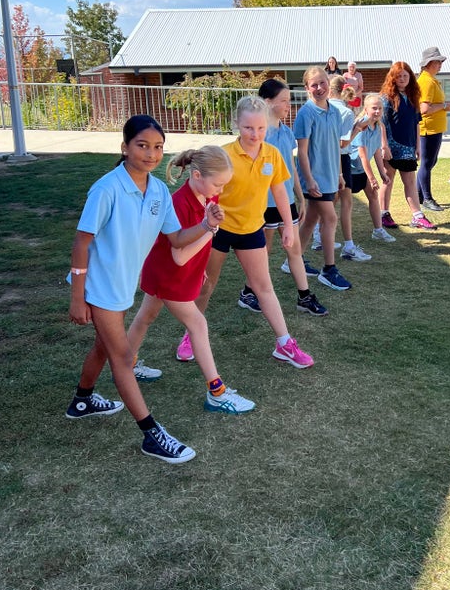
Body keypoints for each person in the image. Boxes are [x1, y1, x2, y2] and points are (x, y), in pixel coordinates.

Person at [65, 114, 224, 465]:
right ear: (125, 148)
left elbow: (176, 239)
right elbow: (81, 241)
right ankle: (151, 433)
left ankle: (82, 400)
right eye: (142, 145)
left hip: (122, 286)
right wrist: (78, 296)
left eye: (158, 147)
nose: (151, 154)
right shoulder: (106, 188)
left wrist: (205, 225)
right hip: (98, 286)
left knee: (104, 348)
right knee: (122, 357)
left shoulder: (157, 192)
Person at [186, 95, 314, 369]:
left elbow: (280, 190)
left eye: (260, 128)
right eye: (248, 128)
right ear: (236, 124)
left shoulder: (272, 154)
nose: (254, 134)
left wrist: (289, 226)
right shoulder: (224, 155)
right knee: (206, 284)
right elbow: (203, 189)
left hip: (252, 230)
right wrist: (206, 219)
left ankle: (284, 344)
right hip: (218, 230)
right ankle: (190, 335)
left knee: (264, 287)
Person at [126, 146, 255, 414]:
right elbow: (180, 256)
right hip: (168, 274)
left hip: (173, 271)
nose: (219, 190)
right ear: (196, 175)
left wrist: (202, 263)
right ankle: (217, 392)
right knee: (197, 323)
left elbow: (195, 244)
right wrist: (210, 229)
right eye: (217, 183)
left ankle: (126, 364)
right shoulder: (179, 203)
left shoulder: (207, 194)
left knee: (145, 317)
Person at [235, 78, 327, 318]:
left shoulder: (287, 132)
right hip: (263, 204)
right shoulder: (258, 135)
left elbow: (290, 166)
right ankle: (248, 292)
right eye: (284, 101)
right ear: (267, 102)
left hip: (287, 202)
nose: (289, 105)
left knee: (294, 250)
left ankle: (304, 297)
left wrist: (300, 195)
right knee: (262, 251)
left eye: (289, 100)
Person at [294, 66, 352, 291]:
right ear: (307, 88)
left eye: (322, 83)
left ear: (329, 83)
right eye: (314, 85)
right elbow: (302, 152)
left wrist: (338, 174)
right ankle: (329, 270)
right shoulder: (305, 114)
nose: (319, 88)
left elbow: (336, 147)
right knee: (330, 219)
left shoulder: (335, 112)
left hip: (329, 176)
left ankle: (293, 260)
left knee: (310, 220)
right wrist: (309, 180)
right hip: (314, 179)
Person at [379, 61, 436, 231]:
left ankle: (417, 216)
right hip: (391, 147)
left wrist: (418, 146)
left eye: (406, 76)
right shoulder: (386, 98)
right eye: (399, 76)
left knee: (410, 182)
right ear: (393, 78)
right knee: (387, 181)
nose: (403, 79)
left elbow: (417, 123)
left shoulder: (413, 98)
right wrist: (384, 146)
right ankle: (384, 214)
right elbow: (382, 123)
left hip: (409, 148)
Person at [328, 75, 371, 263]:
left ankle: (319, 239)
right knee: (346, 201)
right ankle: (348, 246)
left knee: (325, 202)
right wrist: (359, 128)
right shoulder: (345, 112)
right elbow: (343, 143)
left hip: (325, 159)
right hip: (340, 159)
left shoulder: (326, 108)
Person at [349, 92, 395, 244]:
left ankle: (378, 230)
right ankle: (318, 229)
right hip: (350, 169)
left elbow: (375, 151)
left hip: (362, 170)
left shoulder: (379, 127)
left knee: (373, 196)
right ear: (366, 109)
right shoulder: (361, 125)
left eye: (380, 108)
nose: (377, 111)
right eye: (374, 108)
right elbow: (362, 155)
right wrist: (372, 177)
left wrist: (382, 172)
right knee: (336, 202)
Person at [416, 46, 450, 213]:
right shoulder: (426, 82)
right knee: (426, 163)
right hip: (428, 129)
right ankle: (427, 198)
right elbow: (424, 108)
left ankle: (419, 196)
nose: (440, 65)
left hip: (433, 129)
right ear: (430, 63)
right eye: (438, 62)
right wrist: (444, 106)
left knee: (429, 163)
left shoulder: (429, 80)